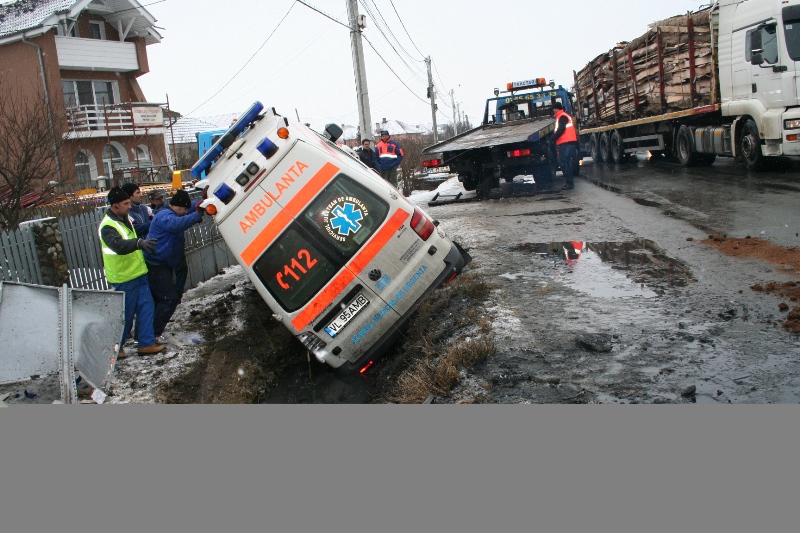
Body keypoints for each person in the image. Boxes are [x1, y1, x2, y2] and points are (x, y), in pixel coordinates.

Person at [98, 187, 166, 358]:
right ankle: (116, 347)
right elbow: (118, 246)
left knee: (146, 309)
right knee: (125, 316)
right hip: (124, 277)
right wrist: (138, 243)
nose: (129, 206)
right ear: (115, 206)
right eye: (125, 203)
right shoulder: (107, 226)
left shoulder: (124, 219)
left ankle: (146, 343)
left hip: (138, 274)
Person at [143, 189, 205, 338]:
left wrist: (203, 200)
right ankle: (151, 335)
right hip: (156, 264)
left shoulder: (176, 210)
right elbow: (177, 224)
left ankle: (146, 333)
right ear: (178, 206)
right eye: (184, 209)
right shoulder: (164, 216)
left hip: (163, 262)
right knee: (167, 299)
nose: (185, 212)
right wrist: (197, 215)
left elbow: (189, 207)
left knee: (161, 300)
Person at [552, 101, 579, 190]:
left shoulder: (562, 116)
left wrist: (552, 139)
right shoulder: (562, 116)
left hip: (567, 143)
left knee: (564, 163)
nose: (554, 111)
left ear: (557, 109)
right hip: (567, 143)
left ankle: (569, 183)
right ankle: (569, 182)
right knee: (565, 162)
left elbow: (561, 130)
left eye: (555, 109)